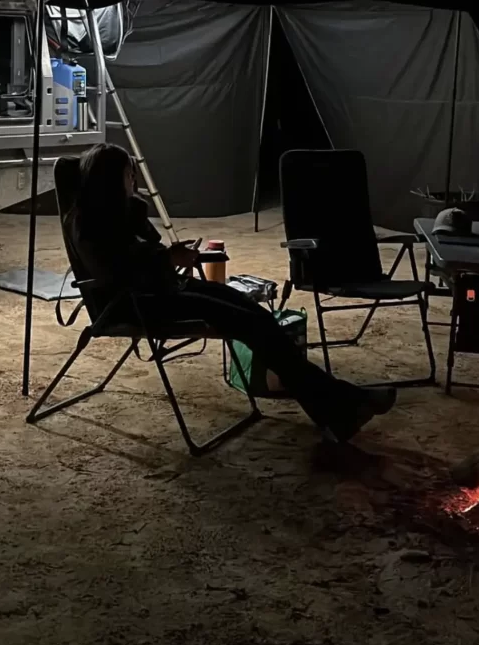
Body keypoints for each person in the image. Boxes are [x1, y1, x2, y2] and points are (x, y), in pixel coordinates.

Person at [65, 143, 396, 443]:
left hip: (160, 291)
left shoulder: (122, 213)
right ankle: (341, 405)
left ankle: (335, 409)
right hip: (135, 305)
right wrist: (165, 258)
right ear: (109, 179)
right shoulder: (87, 223)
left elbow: (145, 256)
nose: (134, 179)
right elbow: (115, 272)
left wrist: (169, 254)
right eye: (128, 173)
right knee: (249, 324)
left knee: (255, 313)